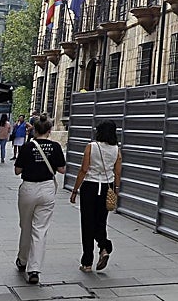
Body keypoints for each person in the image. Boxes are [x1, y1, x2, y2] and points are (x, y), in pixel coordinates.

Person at [13, 115, 66, 285]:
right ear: (50, 131)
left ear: (34, 130)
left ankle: (22, 259)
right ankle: (34, 269)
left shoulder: (28, 147)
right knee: (40, 229)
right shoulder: (56, 146)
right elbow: (62, 169)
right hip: (47, 188)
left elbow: (17, 170)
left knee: (25, 225)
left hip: (28, 188)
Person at [69, 120, 122, 272]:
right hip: (107, 187)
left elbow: (84, 169)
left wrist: (74, 190)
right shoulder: (116, 150)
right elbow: (117, 172)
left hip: (90, 187)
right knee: (101, 221)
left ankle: (87, 262)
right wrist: (116, 190)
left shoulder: (91, 147)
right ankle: (104, 247)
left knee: (87, 223)